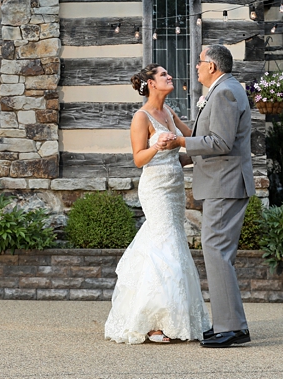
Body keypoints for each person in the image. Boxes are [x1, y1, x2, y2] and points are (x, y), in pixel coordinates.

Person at [104, 63, 210, 345]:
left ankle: (177, 318)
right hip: (155, 188)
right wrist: (157, 146)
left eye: (168, 72)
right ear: (150, 83)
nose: (169, 76)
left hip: (175, 187)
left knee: (172, 243)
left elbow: (193, 142)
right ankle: (152, 322)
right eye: (163, 74)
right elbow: (138, 158)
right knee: (165, 245)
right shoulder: (141, 117)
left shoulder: (170, 112)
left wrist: (201, 148)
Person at [160, 44, 254, 348]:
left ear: (212, 66)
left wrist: (179, 141)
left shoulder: (225, 92)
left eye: (200, 62)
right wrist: (183, 158)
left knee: (217, 253)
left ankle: (233, 329)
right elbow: (215, 143)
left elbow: (221, 142)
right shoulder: (224, 89)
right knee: (217, 253)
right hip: (221, 182)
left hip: (225, 186)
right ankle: (230, 324)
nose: (196, 67)